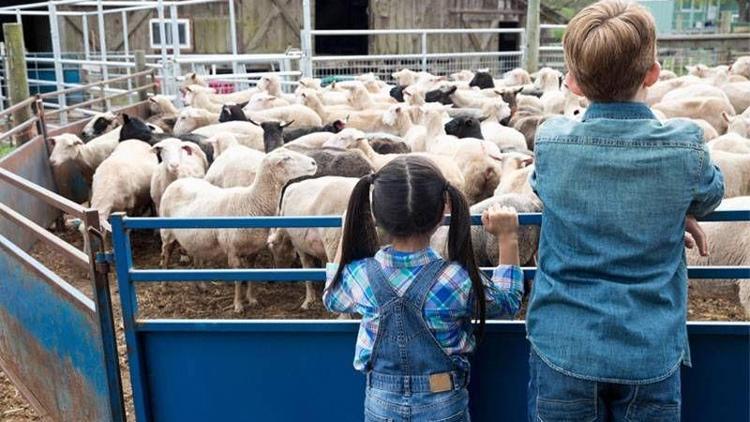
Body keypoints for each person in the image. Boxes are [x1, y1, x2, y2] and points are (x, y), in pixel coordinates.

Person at [526, 0, 725, 420]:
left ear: (574, 83)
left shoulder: (551, 141)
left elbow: (542, 188)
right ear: (653, 73)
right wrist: (672, 205)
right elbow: (711, 194)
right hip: (648, 350)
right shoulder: (684, 145)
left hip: (565, 345)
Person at [324, 155, 524, 422]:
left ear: (377, 215)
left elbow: (332, 298)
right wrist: (508, 237)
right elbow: (508, 302)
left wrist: (348, 227)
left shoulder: (361, 275)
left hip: (381, 402)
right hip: (443, 401)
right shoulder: (457, 278)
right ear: (443, 211)